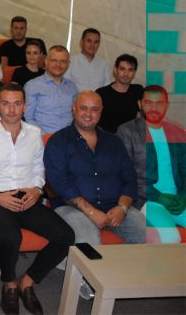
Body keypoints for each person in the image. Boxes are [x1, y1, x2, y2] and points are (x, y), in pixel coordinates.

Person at [0, 84, 74, 315]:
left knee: (66, 236)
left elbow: (38, 168)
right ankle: (9, 284)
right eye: (6, 103)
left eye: (17, 104)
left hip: (27, 197)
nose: (12, 109)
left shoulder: (34, 133)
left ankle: (27, 281)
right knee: (11, 236)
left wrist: (36, 189)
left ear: (24, 107)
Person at [44, 91, 145, 261]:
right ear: (73, 108)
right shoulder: (58, 141)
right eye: (83, 108)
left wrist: (122, 208)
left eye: (94, 109)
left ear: (101, 111)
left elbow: (129, 177)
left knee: (146, 234)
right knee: (89, 242)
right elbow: (60, 183)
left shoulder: (113, 141)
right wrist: (90, 211)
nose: (88, 114)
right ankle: (83, 278)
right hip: (72, 208)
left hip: (114, 207)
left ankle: (126, 275)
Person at [118, 85, 186, 244]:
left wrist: (184, 197)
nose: (154, 108)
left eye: (159, 103)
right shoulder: (127, 131)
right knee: (169, 238)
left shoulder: (178, 132)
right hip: (147, 200)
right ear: (140, 104)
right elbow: (125, 175)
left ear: (167, 105)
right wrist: (159, 196)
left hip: (179, 199)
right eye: (148, 102)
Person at [24, 45, 78, 134]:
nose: (58, 65)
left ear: (68, 64)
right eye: (54, 60)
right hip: (42, 138)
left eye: (63, 61)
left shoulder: (72, 87)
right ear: (46, 61)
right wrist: (45, 137)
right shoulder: (32, 86)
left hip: (69, 137)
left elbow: (77, 116)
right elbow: (28, 117)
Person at [96, 54, 143, 133]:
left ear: (135, 72)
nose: (126, 74)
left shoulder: (137, 90)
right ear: (115, 70)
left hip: (130, 137)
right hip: (107, 137)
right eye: (122, 69)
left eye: (130, 70)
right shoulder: (101, 94)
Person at [65, 28, 111, 92]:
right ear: (81, 42)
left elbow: (107, 89)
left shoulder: (104, 65)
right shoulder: (70, 62)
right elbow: (65, 87)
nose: (92, 45)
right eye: (89, 41)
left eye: (96, 42)